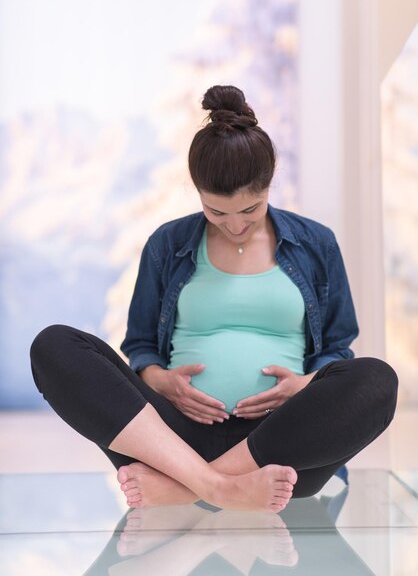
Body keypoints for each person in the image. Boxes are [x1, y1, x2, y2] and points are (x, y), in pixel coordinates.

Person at [30, 85, 398, 513]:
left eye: (250, 210)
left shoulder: (316, 244)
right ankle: (218, 486)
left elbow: (337, 347)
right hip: (173, 437)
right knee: (53, 345)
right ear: (199, 193)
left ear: (268, 186)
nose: (235, 226)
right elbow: (142, 346)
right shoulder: (167, 244)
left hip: (279, 442)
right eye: (217, 212)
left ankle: (188, 488)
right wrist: (158, 379)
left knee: (377, 380)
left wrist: (303, 386)